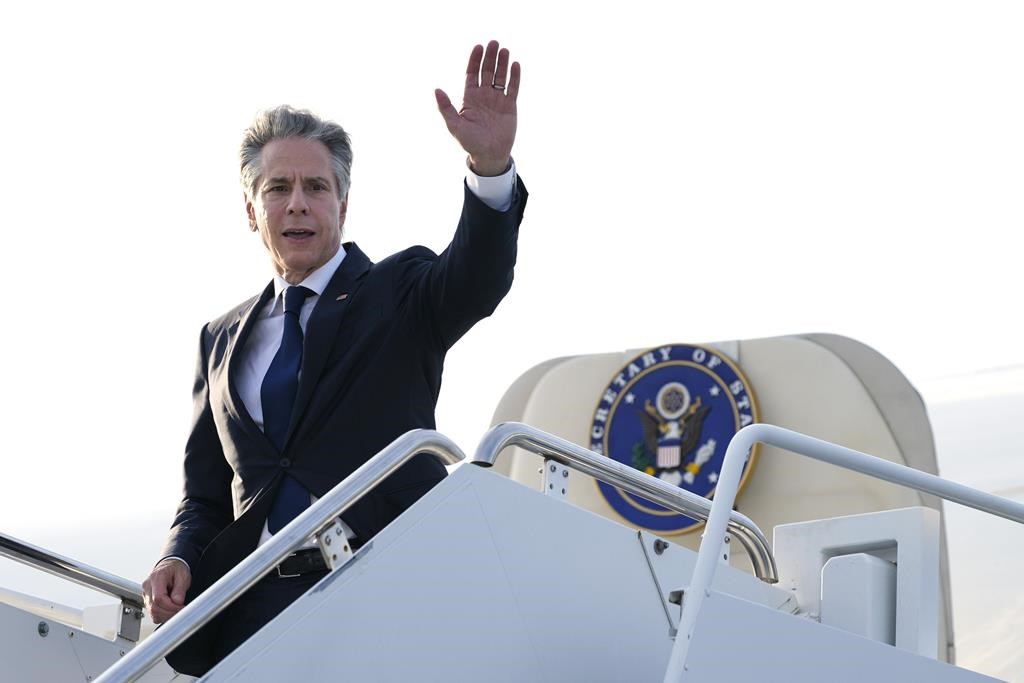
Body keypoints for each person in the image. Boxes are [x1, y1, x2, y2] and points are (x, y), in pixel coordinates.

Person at [141, 40, 527, 676]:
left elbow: (478, 277)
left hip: (384, 592)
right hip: (253, 608)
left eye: (316, 187)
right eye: (278, 188)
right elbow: (206, 496)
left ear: (342, 206)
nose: (298, 202)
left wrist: (490, 169)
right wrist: (176, 555)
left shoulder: (401, 293)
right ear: (251, 210)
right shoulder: (219, 338)